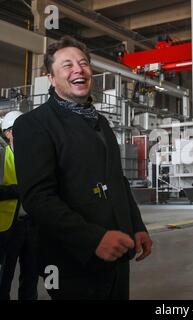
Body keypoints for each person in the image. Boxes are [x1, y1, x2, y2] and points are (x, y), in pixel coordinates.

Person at [13, 36, 152, 300]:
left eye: (84, 63)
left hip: (118, 254)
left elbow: (118, 180)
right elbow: (38, 198)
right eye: (67, 65)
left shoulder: (100, 122)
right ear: (51, 78)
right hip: (72, 261)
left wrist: (136, 225)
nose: (79, 69)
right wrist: (93, 239)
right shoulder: (34, 124)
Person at [0, 110, 38, 300]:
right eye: (18, 129)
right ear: (7, 133)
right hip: (8, 228)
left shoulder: (35, 158)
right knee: (3, 278)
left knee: (30, 277)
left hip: (33, 226)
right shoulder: (1, 158)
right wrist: (16, 190)